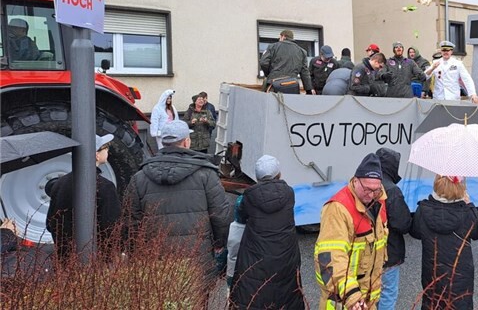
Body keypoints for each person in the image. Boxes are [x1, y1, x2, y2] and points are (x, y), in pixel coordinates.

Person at [125, 120, 232, 279]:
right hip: (196, 259)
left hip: (154, 260)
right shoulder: (206, 174)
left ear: (163, 143)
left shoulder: (139, 178)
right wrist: (219, 243)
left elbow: (130, 222)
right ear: (187, 142)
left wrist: (136, 252)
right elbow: (221, 216)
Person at [314, 153, 388, 310]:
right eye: (367, 189)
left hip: (367, 300)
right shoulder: (337, 209)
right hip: (342, 299)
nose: (371, 195)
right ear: (355, 181)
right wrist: (351, 294)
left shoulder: (379, 201)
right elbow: (332, 257)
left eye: (376, 190)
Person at [230, 156, 304, 310]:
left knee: (255, 293)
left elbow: (241, 216)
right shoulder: (289, 194)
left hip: (256, 255)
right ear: (279, 174)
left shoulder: (249, 197)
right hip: (285, 255)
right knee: (286, 292)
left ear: (257, 178)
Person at [410, 175, 478, 310]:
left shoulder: (423, 209)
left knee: (433, 302)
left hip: (432, 272)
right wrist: (470, 205)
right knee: (459, 303)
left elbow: (415, 232)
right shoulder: (466, 212)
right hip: (459, 276)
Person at [45, 134, 121, 259]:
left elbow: (50, 223)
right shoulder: (105, 186)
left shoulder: (59, 184)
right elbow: (111, 226)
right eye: (106, 147)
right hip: (96, 257)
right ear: (96, 155)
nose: (108, 151)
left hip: (64, 256)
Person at [375, 148, 411, 310]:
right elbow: (402, 224)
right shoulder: (392, 190)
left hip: (366, 250)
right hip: (388, 251)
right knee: (387, 292)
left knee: (368, 291)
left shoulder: (365, 184)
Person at [260, 29, 314, 94]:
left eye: (279, 38)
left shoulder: (272, 47)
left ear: (283, 36)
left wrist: (269, 74)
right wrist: (308, 90)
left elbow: (263, 63)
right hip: (292, 85)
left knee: (272, 100)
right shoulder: (302, 52)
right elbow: (305, 72)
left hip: (274, 84)